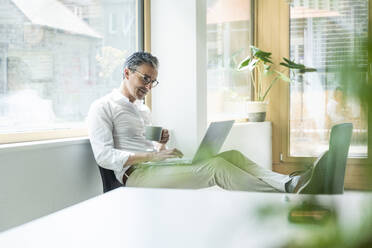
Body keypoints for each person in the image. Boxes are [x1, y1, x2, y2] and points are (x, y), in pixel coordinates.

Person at [87, 51, 318, 193]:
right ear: (127, 72)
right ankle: (285, 196)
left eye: (153, 82)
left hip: (155, 168)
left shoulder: (142, 110)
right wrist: (152, 156)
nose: (148, 86)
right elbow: (104, 156)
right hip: (136, 177)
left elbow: (145, 148)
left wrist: (161, 147)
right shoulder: (102, 107)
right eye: (145, 79)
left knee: (232, 156)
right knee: (215, 168)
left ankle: (288, 183)